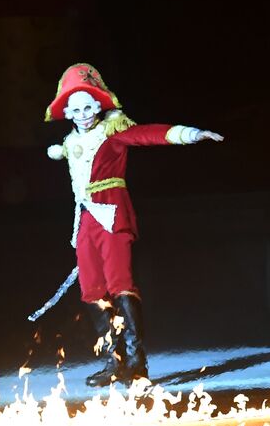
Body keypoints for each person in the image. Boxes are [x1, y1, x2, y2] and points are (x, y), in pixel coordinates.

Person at [43, 63, 223, 387]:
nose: (83, 115)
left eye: (88, 108)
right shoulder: (71, 141)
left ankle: (136, 363)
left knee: (120, 283)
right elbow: (68, 152)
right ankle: (113, 362)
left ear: (98, 107)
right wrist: (58, 152)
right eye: (77, 110)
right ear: (68, 113)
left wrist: (189, 134)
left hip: (112, 215)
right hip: (85, 219)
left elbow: (146, 135)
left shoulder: (112, 133)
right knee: (91, 288)